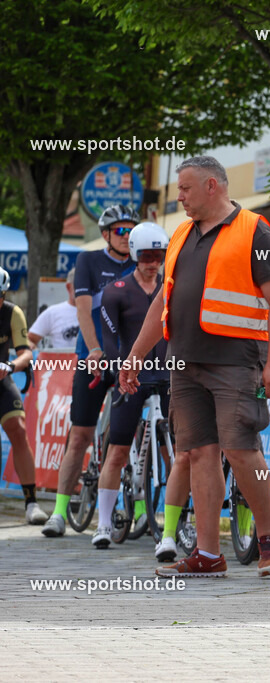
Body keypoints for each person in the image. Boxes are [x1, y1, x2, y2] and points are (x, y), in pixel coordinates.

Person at [119, 155, 270, 578]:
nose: (180, 197)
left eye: (186, 189)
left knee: (239, 448)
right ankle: (209, 555)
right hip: (185, 363)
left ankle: (269, 539)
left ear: (212, 186)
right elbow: (163, 300)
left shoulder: (255, 230)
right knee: (197, 453)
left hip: (236, 360)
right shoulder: (180, 233)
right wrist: (136, 354)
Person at [90, 223, 188, 562]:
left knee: (175, 453)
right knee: (117, 450)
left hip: (168, 375)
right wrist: (120, 372)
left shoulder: (170, 287)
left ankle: (176, 524)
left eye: (159, 256)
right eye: (146, 255)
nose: (152, 262)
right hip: (131, 376)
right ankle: (103, 523)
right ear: (133, 253)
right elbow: (110, 342)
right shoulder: (116, 291)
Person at [43, 204, 138, 537]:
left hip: (130, 360)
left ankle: (138, 510)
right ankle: (57, 512)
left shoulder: (144, 262)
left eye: (131, 230)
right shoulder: (88, 261)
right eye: (121, 231)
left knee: (134, 436)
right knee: (80, 435)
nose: (127, 237)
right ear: (106, 234)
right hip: (93, 358)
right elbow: (84, 311)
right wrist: (95, 350)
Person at [0, 267, 48, 524]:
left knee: (18, 429)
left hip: (1, 378)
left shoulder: (11, 312)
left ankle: (31, 503)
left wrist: (10, 366)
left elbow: (26, 353)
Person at [28, 269, 80, 350]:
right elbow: (29, 339)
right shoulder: (53, 312)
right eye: (81, 286)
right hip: (62, 361)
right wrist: (38, 354)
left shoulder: (99, 311)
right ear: (69, 287)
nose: (85, 290)